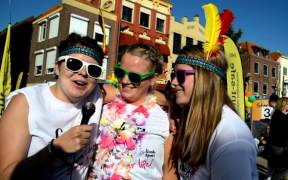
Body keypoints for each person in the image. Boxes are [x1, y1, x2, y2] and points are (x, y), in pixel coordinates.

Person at [0, 33, 104, 180]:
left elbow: (133, 90)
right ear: (57, 68)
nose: (83, 73)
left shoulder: (97, 95)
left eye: (93, 70)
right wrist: (54, 150)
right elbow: (5, 175)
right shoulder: (26, 102)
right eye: (73, 64)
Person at [169, 44, 258, 180]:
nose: (173, 82)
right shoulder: (192, 120)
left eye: (180, 75)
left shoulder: (231, 137)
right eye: (173, 74)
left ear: (205, 78)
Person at [90, 44, 177, 179]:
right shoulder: (101, 105)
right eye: (120, 73)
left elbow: (169, 174)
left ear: (153, 79)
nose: (124, 81)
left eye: (134, 77)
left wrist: (172, 104)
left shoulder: (166, 120)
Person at [267, 97, 288, 180]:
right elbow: (284, 131)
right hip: (277, 145)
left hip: (280, 144)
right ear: (283, 104)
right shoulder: (278, 114)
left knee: (283, 166)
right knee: (283, 167)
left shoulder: (282, 114)